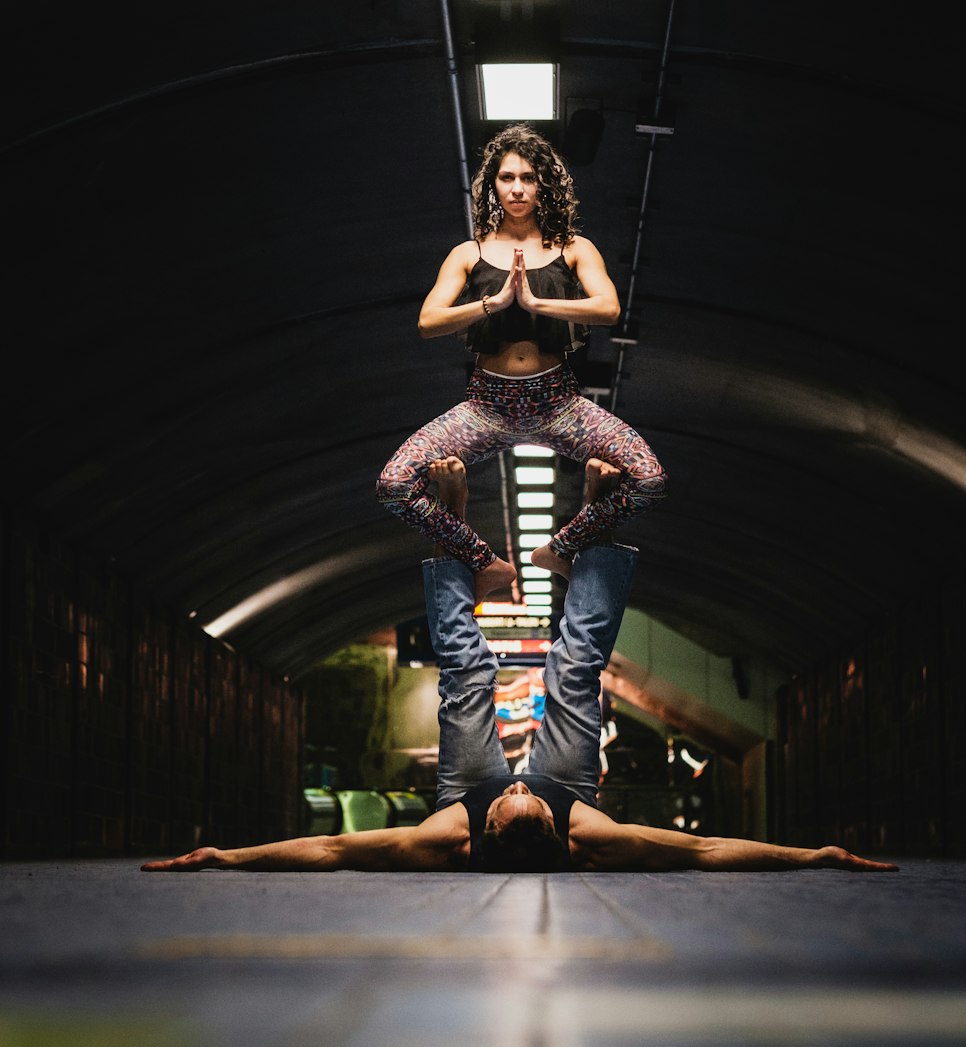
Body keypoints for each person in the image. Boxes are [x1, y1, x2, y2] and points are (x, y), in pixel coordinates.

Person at [142, 461, 897, 876]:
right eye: (523, 801)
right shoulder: (586, 830)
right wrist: (814, 855)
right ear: (555, 830)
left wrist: (226, 858)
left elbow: (333, 850)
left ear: (491, 826)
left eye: (515, 804)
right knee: (576, 670)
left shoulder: (449, 833)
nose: (517, 790)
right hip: (577, 780)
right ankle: (596, 521)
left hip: (454, 787)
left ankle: (453, 520)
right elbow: (703, 851)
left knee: (465, 672)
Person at [375, 122, 666, 604]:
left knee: (650, 479)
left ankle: (561, 549)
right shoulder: (468, 253)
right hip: (486, 406)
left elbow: (609, 308)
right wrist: (495, 301)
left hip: (560, 404)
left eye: (528, 178)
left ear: (544, 184)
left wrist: (535, 304)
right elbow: (428, 321)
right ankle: (484, 563)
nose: (516, 188)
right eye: (507, 177)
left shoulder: (573, 247)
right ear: (493, 185)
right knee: (393, 484)